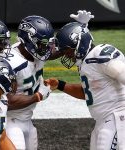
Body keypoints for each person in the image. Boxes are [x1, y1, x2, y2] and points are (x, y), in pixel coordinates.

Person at [45, 11, 125, 150]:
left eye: (68, 51)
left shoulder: (100, 55)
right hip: (104, 121)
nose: (67, 56)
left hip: (117, 118)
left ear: (79, 44)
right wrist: (60, 85)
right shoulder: (86, 62)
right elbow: (89, 94)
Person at [5, 15, 54, 150]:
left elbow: (59, 50)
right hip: (10, 122)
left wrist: (80, 31)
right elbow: (6, 102)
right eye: (41, 44)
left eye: (47, 44)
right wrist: (37, 96)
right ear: (27, 40)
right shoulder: (11, 63)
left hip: (27, 120)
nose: (46, 49)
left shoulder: (36, 51)